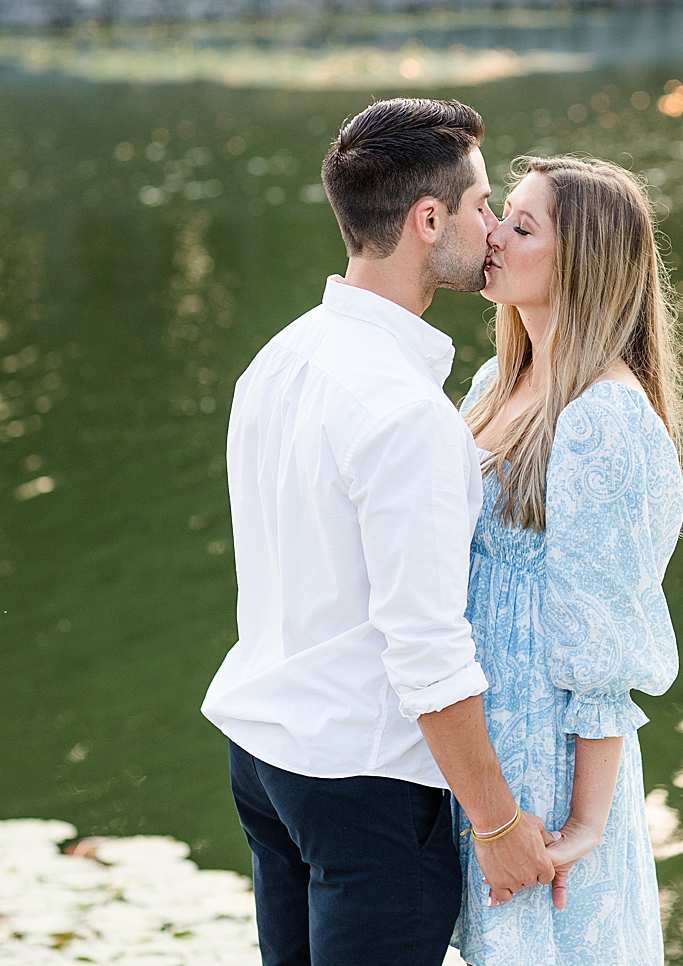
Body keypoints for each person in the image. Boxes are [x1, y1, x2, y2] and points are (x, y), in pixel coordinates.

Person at [201, 98, 553, 966]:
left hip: (266, 759)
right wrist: (499, 822)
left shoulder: (281, 357)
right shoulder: (406, 416)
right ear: (427, 220)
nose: (493, 225)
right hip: (364, 787)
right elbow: (427, 647)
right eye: (480, 206)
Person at [453, 155, 683, 965]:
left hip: (541, 756)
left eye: (521, 226)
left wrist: (586, 820)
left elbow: (602, 638)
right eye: (500, 215)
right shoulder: (496, 380)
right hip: (479, 739)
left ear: (581, 261)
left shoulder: (604, 419)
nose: (492, 235)